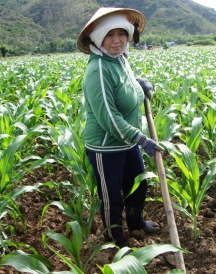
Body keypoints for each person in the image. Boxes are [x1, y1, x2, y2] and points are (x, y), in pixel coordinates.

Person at [76, 7, 164, 249]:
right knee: (111, 197)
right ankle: (115, 239)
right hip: (106, 147)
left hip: (127, 141)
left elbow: (123, 87)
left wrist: (138, 84)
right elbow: (109, 118)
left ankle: (136, 223)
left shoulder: (120, 60)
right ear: (98, 39)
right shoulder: (98, 70)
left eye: (122, 34)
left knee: (139, 184)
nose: (117, 40)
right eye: (110, 35)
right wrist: (141, 139)